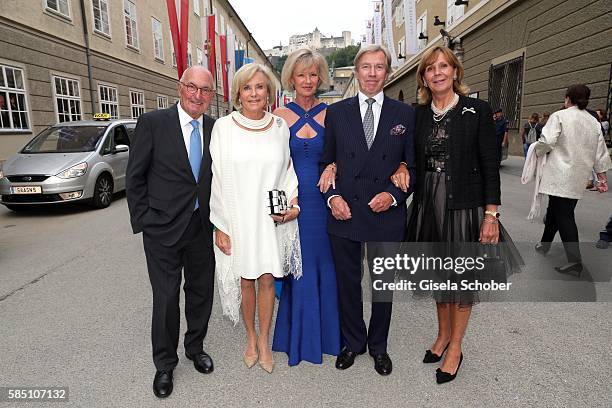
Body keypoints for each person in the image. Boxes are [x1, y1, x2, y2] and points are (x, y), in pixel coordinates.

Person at [405, 46, 523, 384]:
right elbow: (410, 158)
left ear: (455, 72)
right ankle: (442, 336)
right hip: (428, 206)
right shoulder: (420, 115)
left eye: (444, 66)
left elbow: (489, 165)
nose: (438, 73)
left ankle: (455, 347)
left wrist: (491, 215)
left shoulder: (476, 110)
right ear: (424, 77)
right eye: (430, 68)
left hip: (465, 207)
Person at [320, 44, 416, 376]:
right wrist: (333, 199)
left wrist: (393, 195)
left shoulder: (405, 114)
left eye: (379, 67)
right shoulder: (336, 113)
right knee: (347, 282)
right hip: (345, 211)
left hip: (385, 213)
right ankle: (353, 342)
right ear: (356, 72)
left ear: (387, 72)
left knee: (382, 285)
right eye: (366, 67)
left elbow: (414, 168)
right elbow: (325, 162)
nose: (372, 73)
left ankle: (378, 346)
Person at [126, 65, 216, 398]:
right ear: (180, 88)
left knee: (200, 292)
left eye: (205, 90)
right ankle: (165, 364)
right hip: (162, 228)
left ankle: (195, 347)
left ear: (211, 96)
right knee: (165, 298)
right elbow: (135, 177)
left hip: (202, 227)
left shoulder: (215, 128)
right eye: (192, 87)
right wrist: (144, 220)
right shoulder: (153, 123)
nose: (198, 95)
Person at [209, 63, 301, 374]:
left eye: (260, 87)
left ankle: (265, 340)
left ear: (269, 92)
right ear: (238, 93)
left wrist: (291, 204)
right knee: (246, 279)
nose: (253, 93)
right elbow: (217, 178)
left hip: (268, 216)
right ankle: (250, 337)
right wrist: (221, 225)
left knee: (266, 279)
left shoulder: (279, 127)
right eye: (247, 87)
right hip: (237, 215)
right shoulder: (224, 127)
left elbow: (286, 171)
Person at [271, 49, 342, 366]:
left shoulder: (334, 114)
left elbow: (346, 154)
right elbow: (270, 165)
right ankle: (297, 339)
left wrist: (336, 166)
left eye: (313, 74)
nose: (308, 80)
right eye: (302, 75)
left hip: (324, 204)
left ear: (321, 77)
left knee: (324, 265)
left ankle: (327, 337)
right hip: (294, 203)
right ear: (291, 78)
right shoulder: (278, 117)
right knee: (296, 264)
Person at [534, 84, 611, 273]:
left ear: (568, 98)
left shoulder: (560, 116)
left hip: (559, 173)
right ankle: (545, 245)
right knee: (555, 210)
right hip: (578, 176)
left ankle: (575, 261)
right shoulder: (593, 121)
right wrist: (602, 177)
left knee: (564, 216)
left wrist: (536, 151)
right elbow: (600, 153)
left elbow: (547, 141)